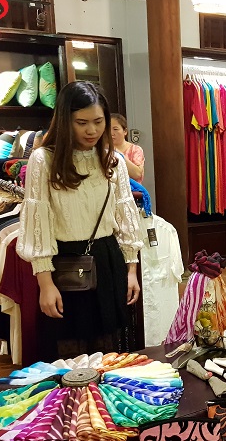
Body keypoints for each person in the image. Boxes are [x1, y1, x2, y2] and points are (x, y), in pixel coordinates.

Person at [17, 81, 144, 360]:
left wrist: (131, 270)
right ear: (65, 121)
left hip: (108, 259)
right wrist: (45, 283)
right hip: (65, 262)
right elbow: (39, 220)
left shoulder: (113, 160)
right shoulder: (44, 160)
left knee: (111, 350)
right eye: (82, 122)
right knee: (68, 352)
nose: (92, 130)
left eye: (99, 121)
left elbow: (124, 215)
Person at [110, 113, 145, 183]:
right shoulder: (102, 150)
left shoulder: (135, 150)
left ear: (125, 131)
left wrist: (116, 152)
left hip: (131, 189)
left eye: (115, 129)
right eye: (107, 129)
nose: (111, 133)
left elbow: (137, 174)